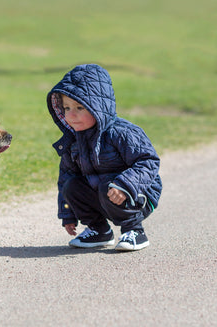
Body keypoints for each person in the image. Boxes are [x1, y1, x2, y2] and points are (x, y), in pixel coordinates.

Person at [46, 64, 162, 251]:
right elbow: (65, 177)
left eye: (80, 107)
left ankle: (134, 230)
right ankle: (99, 230)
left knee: (107, 184)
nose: (71, 115)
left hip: (139, 192)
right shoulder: (73, 141)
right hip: (104, 193)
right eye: (66, 108)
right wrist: (67, 214)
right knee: (72, 185)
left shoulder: (122, 132)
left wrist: (125, 185)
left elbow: (148, 161)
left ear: (98, 106)